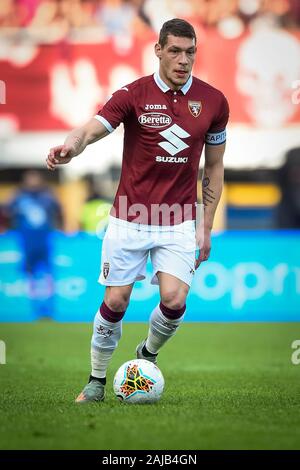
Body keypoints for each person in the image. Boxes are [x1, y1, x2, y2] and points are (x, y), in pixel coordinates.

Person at [46, 18, 229, 403]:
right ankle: (96, 381)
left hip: (179, 219)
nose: (184, 60)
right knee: (116, 302)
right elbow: (91, 130)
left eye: (190, 52)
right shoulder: (133, 94)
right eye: (176, 51)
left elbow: (213, 166)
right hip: (129, 216)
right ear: (158, 50)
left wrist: (206, 226)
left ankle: (147, 353)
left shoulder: (214, 102)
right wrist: (70, 147)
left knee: (176, 300)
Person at [7, 170, 62, 317]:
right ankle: (32, 308)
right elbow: (6, 212)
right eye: (30, 179)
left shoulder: (48, 195)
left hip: (44, 241)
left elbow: (59, 211)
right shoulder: (18, 196)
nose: (33, 181)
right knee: (29, 274)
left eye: (35, 178)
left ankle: (49, 307)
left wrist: (61, 227)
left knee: (48, 273)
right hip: (27, 243)